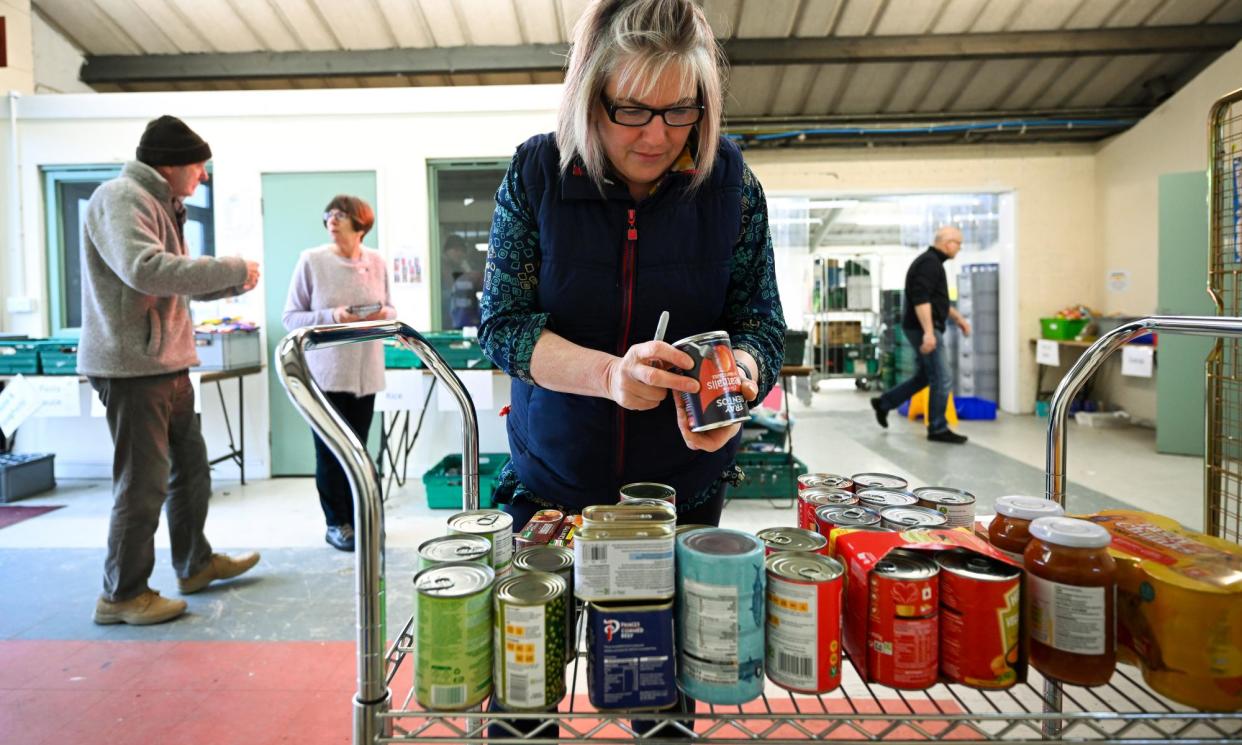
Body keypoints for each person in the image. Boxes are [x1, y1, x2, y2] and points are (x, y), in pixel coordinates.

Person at [479, 0, 784, 733]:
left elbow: (764, 327)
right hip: (552, 488)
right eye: (633, 110)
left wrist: (738, 380)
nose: (658, 135)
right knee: (523, 701)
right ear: (590, 93)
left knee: (661, 706)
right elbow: (502, 327)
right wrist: (611, 376)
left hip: (680, 497)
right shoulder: (538, 174)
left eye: (682, 111)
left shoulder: (731, 186)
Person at [79, 115, 262, 626]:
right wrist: (229, 268)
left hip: (166, 362)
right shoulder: (121, 197)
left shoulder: (161, 203)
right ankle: (121, 595)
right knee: (143, 483)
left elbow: (167, 279)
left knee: (191, 470)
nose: (202, 176)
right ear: (173, 165)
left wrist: (231, 284)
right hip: (132, 366)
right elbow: (145, 269)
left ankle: (195, 563)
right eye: (199, 167)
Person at [282, 195, 395, 552]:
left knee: (360, 451)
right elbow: (291, 317)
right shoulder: (311, 261)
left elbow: (391, 309)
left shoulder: (376, 261)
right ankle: (337, 524)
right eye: (329, 213)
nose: (332, 219)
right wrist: (334, 316)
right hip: (326, 376)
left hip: (365, 374)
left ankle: (365, 519)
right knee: (330, 452)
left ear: (360, 223)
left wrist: (378, 313)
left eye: (341, 214)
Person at [871, 225, 972, 444]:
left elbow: (936, 301)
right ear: (947, 243)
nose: (959, 248)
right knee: (942, 378)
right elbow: (921, 299)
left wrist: (958, 318)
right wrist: (928, 333)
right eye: (958, 244)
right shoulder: (929, 264)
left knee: (926, 376)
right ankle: (937, 428)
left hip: (921, 326)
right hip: (922, 328)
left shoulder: (933, 263)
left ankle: (884, 403)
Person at [441, 234, 481, 328]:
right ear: (446, 251)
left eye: (462, 251)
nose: (459, 253)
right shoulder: (441, 266)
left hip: (463, 316)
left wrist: (467, 270)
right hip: (446, 314)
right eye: (455, 250)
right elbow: (452, 286)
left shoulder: (463, 266)